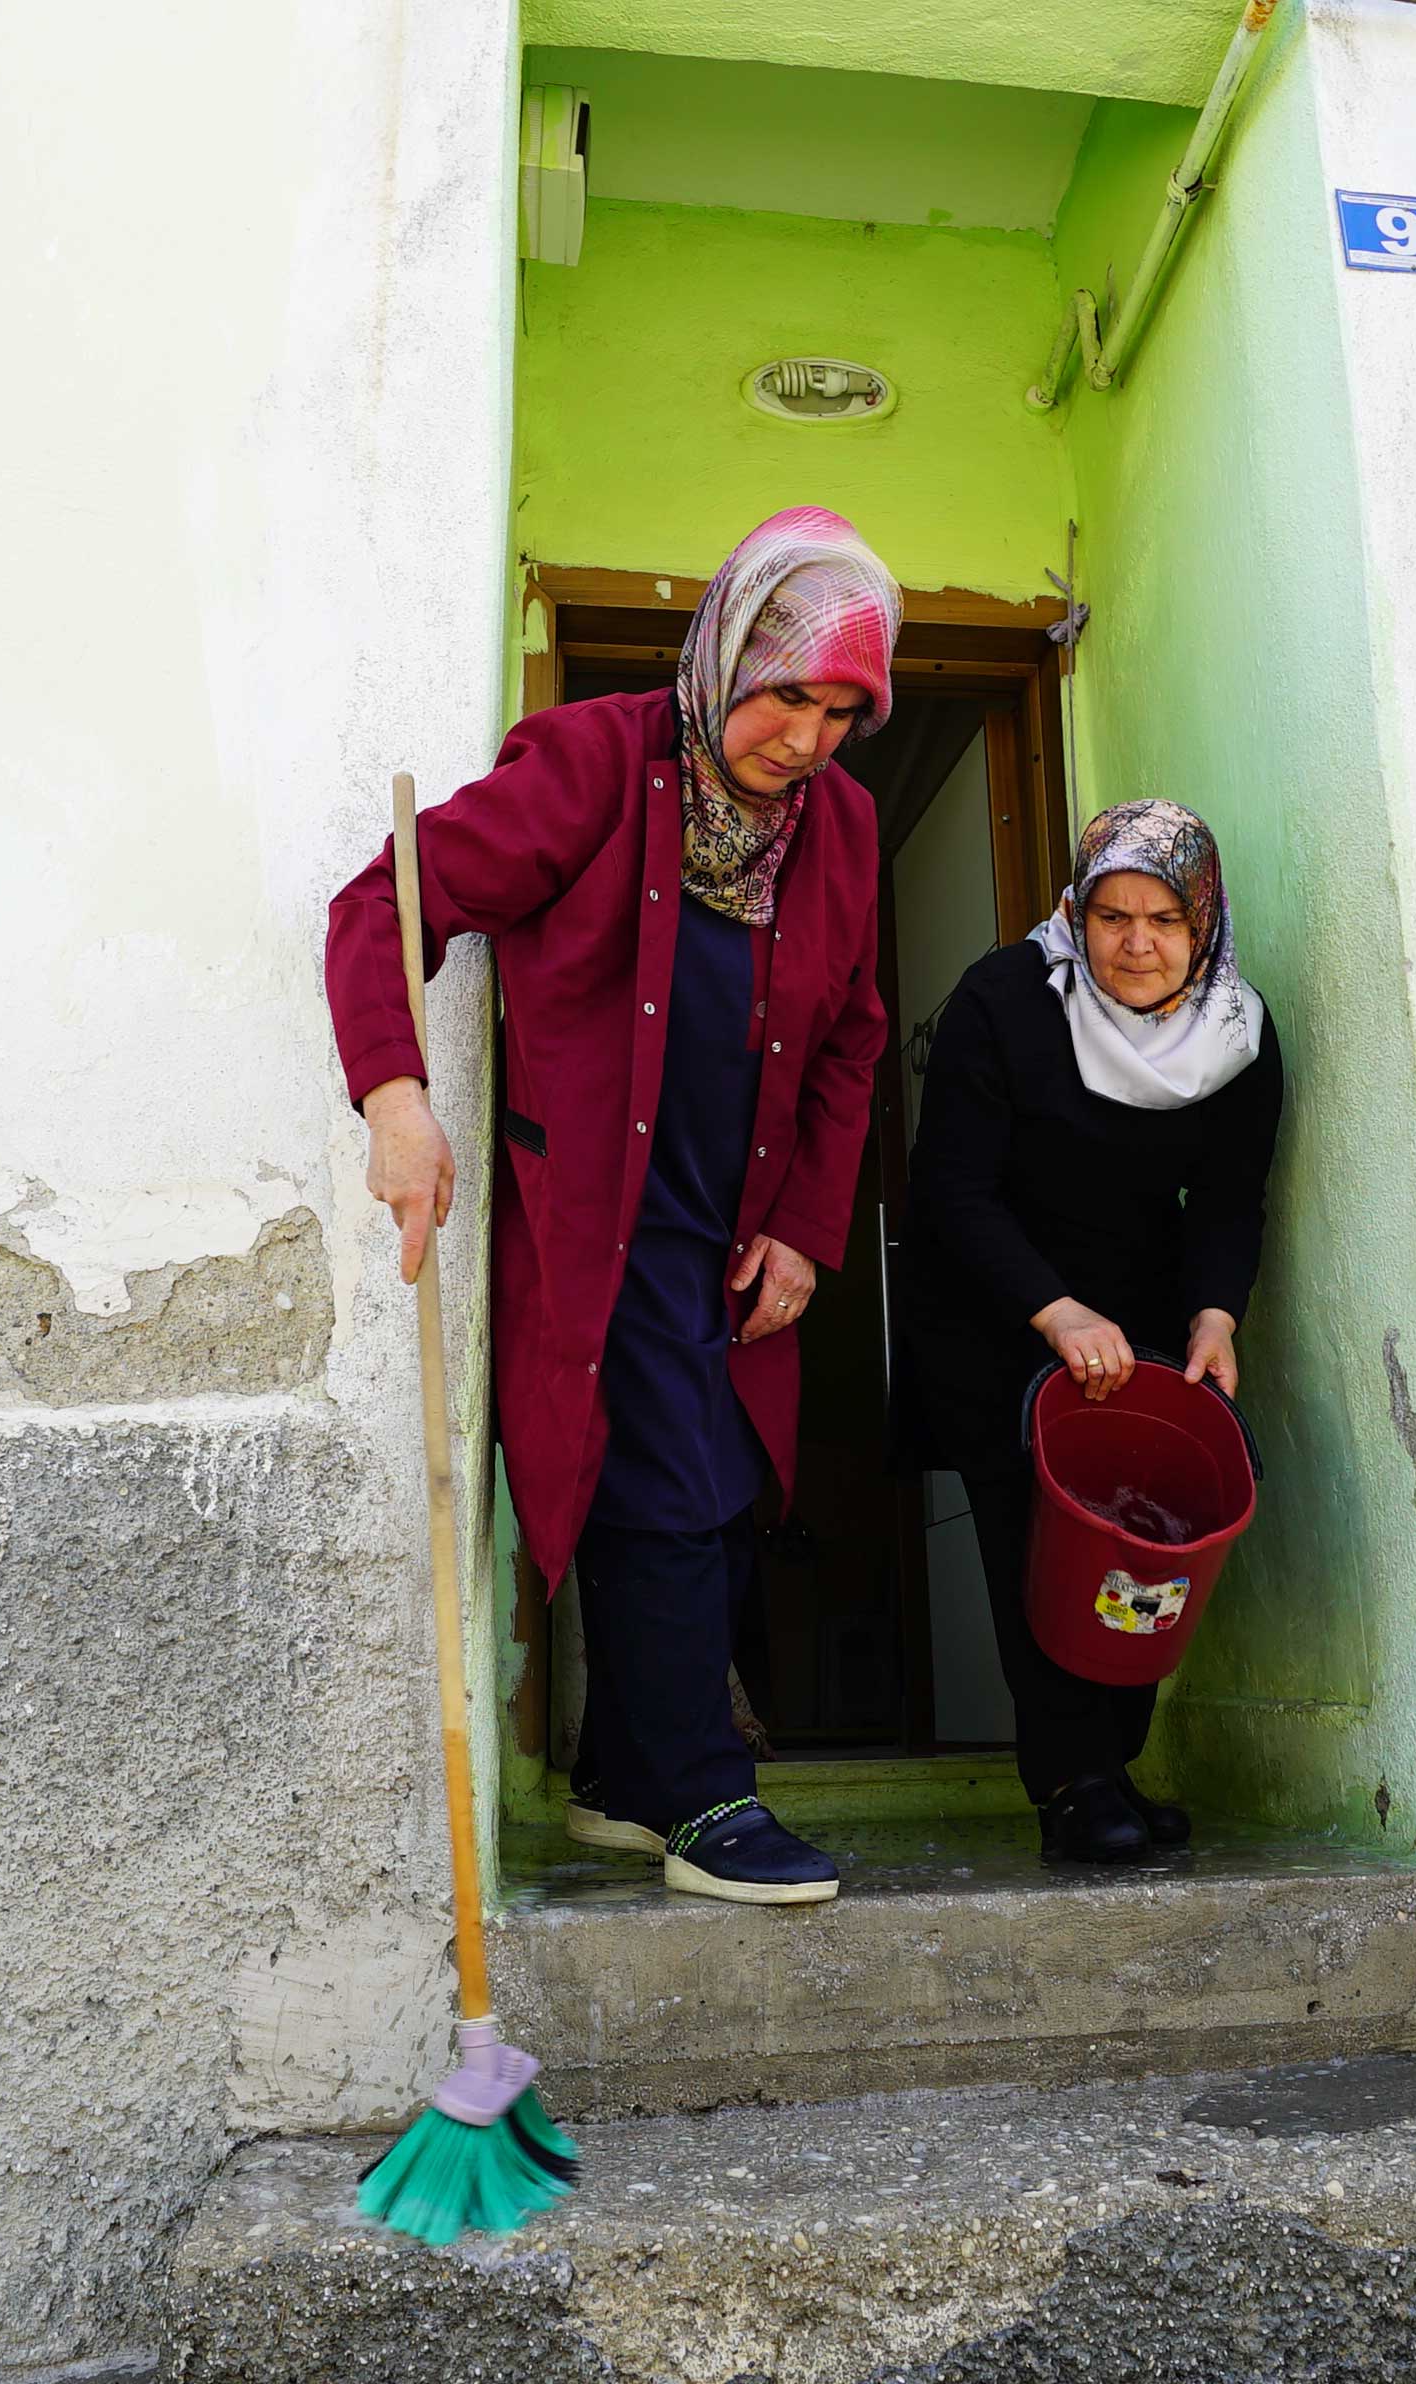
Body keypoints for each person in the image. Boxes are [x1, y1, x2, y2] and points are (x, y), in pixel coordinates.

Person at [325, 507, 898, 1908]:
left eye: (842, 713)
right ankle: (703, 1792)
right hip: (602, 1207)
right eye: (786, 697)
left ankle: (623, 1775)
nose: (807, 741)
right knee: (663, 1487)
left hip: (735, 1218)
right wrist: (395, 1097)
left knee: (726, 1484)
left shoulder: (841, 825)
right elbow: (384, 904)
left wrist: (807, 1225)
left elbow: (852, 1037)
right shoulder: (595, 763)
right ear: (725, 655)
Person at [898, 800, 1282, 1864]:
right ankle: (1071, 1780)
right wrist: (1054, 1310)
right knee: (1039, 1539)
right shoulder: (1004, 999)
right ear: (1075, 913)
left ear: (1204, 921)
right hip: (998, 1305)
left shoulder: (1237, 1030)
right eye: (1111, 916)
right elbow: (954, 1186)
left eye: (1164, 919)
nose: (1136, 944)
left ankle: (1114, 1762)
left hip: (1141, 1310)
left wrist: (1215, 1313)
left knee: (1141, 1537)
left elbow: (1230, 1198)